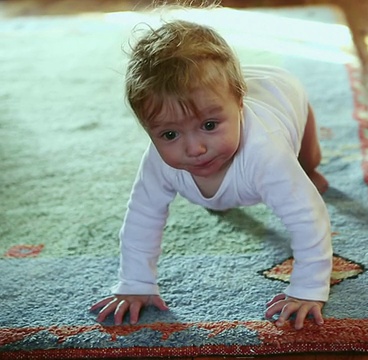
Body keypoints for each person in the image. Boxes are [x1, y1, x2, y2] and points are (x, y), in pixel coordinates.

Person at [89, 19, 333, 331]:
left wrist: (307, 289)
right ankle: (219, 191)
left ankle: (309, 168)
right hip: (238, 102)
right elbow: (141, 217)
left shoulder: (267, 153)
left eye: (209, 126)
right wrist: (135, 282)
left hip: (282, 92)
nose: (195, 149)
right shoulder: (158, 163)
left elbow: (308, 220)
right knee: (217, 194)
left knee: (308, 169)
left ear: (241, 105)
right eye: (169, 134)